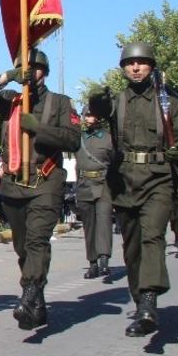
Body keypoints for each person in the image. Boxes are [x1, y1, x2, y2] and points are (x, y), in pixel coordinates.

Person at [88, 42, 178, 337]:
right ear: (122, 69)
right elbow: (97, 109)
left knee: (153, 237)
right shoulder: (117, 101)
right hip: (123, 181)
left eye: (142, 63)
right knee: (132, 249)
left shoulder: (168, 103)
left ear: (151, 66)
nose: (135, 68)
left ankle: (148, 300)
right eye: (129, 63)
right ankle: (141, 301)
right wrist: (96, 98)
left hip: (158, 178)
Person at [0, 49, 80, 330]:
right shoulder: (10, 102)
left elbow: (73, 140)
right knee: (22, 247)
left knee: (37, 241)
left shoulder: (60, 103)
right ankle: (38, 297)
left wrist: (40, 130)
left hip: (46, 181)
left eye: (36, 69)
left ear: (45, 71)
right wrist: (8, 77)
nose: (31, 74)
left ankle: (29, 291)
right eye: (25, 69)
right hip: (13, 183)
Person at [74, 107, 115, 279]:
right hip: (84, 184)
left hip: (104, 184)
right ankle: (93, 263)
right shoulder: (79, 138)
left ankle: (104, 260)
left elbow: (116, 163)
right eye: (87, 115)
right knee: (89, 226)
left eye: (93, 115)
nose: (90, 118)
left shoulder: (109, 139)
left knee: (104, 221)